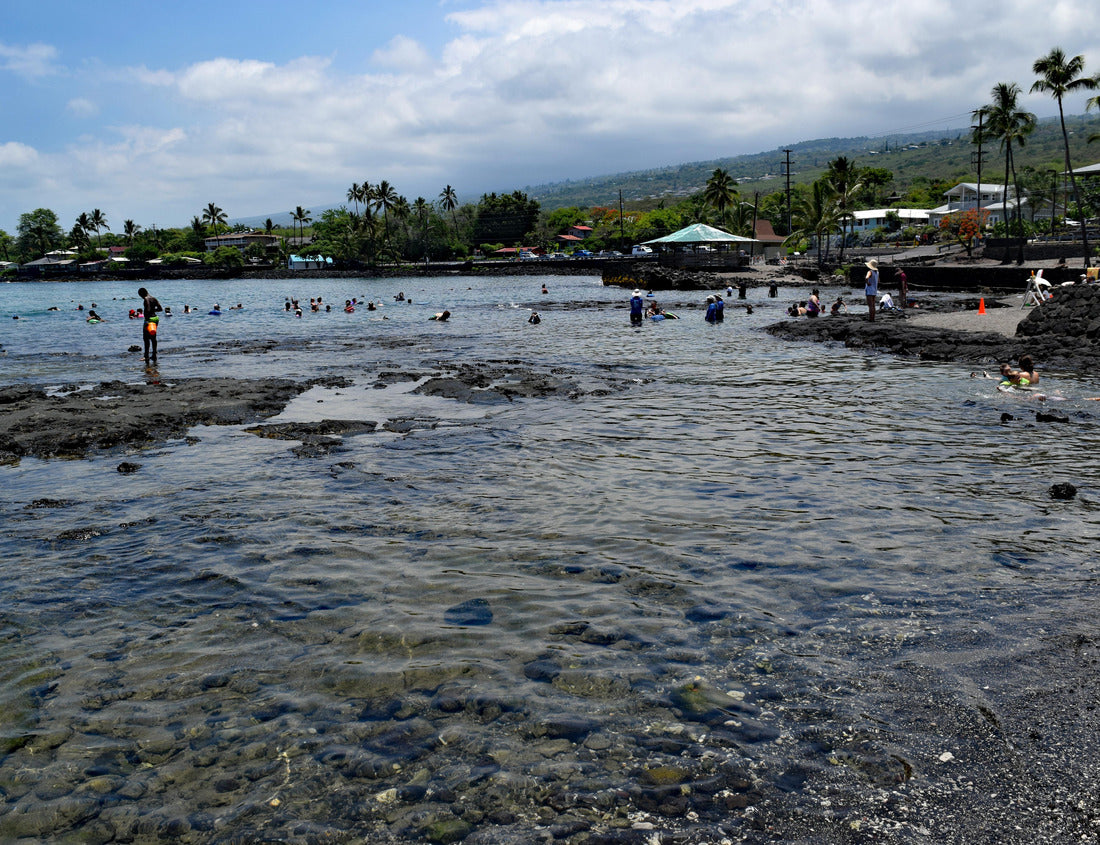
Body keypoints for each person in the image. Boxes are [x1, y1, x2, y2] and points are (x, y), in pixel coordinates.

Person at [137, 287, 162, 365]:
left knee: (146, 338)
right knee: (153, 337)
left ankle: (146, 356)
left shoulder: (146, 299)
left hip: (149, 320)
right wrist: (153, 310)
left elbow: (147, 309)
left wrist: (147, 316)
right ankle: (154, 355)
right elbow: (160, 309)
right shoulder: (154, 298)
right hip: (155, 319)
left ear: (142, 293)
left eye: (140, 295)